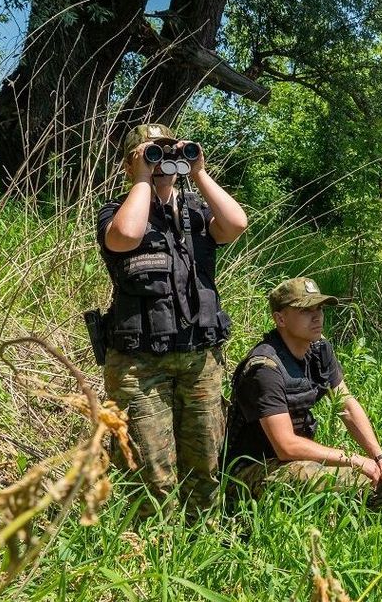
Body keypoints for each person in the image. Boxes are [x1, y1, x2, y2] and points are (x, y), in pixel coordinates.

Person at [97, 123, 248, 518]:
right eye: (151, 151)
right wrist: (144, 179)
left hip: (199, 359)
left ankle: (202, 541)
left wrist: (198, 172)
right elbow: (126, 236)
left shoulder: (197, 213)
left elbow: (236, 224)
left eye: (167, 150)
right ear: (128, 163)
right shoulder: (115, 212)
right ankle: (151, 551)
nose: (161, 158)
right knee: (151, 471)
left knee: (205, 465)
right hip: (139, 365)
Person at [224, 277, 382, 505]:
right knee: (364, 486)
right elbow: (286, 446)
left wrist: (381, 460)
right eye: (305, 310)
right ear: (280, 318)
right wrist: (355, 460)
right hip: (250, 470)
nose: (317, 316)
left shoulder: (319, 350)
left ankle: (341, 529)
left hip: (295, 462)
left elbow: (346, 405)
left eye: (319, 308)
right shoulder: (264, 368)